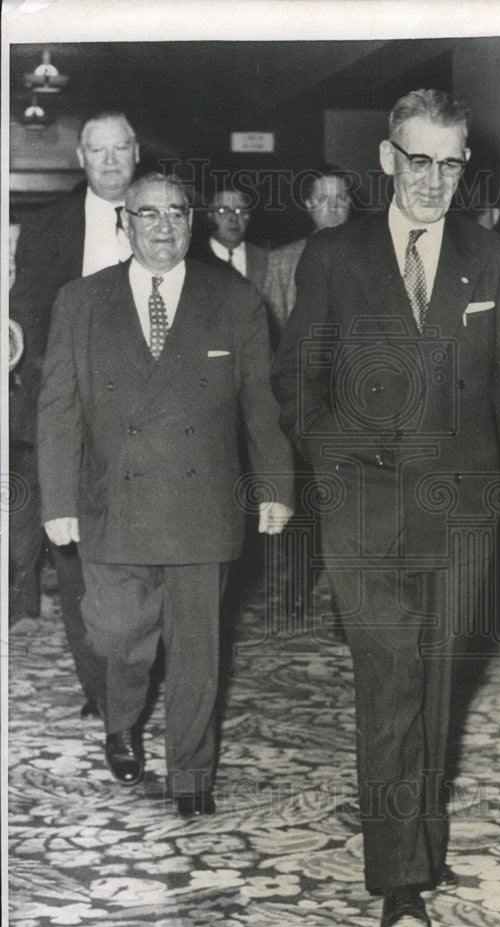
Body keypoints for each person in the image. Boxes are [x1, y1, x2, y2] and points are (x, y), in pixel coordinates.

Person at [271, 90, 500, 927]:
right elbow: (296, 380)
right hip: (365, 503)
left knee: (439, 680)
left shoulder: (492, 257)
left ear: (467, 166)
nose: (435, 179)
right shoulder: (333, 255)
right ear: (389, 161)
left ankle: (418, 835)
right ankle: (399, 876)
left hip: (465, 507)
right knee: (391, 676)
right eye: (419, 160)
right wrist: (337, 458)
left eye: (452, 162)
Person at [37, 173, 294, 817]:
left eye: (175, 213)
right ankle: (122, 718)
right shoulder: (82, 301)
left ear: (192, 220)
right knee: (120, 634)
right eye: (146, 214)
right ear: (124, 223)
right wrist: (57, 499)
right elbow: (58, 408)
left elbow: (262, 404)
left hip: (201, 500)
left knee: (197, 646)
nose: (161, 226)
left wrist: (275, 484)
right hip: (110, 499)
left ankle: (191, 771)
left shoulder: (234, 300)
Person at [9, 111, 139, 717]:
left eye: (120, 149)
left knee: (141, 555)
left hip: (148, 421)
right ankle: (103, 688)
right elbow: (26, 319)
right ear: (81, 159)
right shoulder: (47, 229)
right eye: (97, 150)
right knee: (76, 555)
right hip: (71, 416)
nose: (110, 161)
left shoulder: (163, 216)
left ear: (135, 154)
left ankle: (135, 670)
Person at [263, 165, 351, 345]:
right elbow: (271, 327)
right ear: (309, 204)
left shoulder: (370, 257)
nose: (333, 207)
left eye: (340, 198)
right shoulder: (281, 260)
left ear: (349, 203)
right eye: (323, 199)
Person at [188, 186, 268, 295]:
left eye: (240, 210)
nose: (233, 218)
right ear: (209, 215)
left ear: (248, 216)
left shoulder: (266, 258)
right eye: (222, 210)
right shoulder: (194, 259)